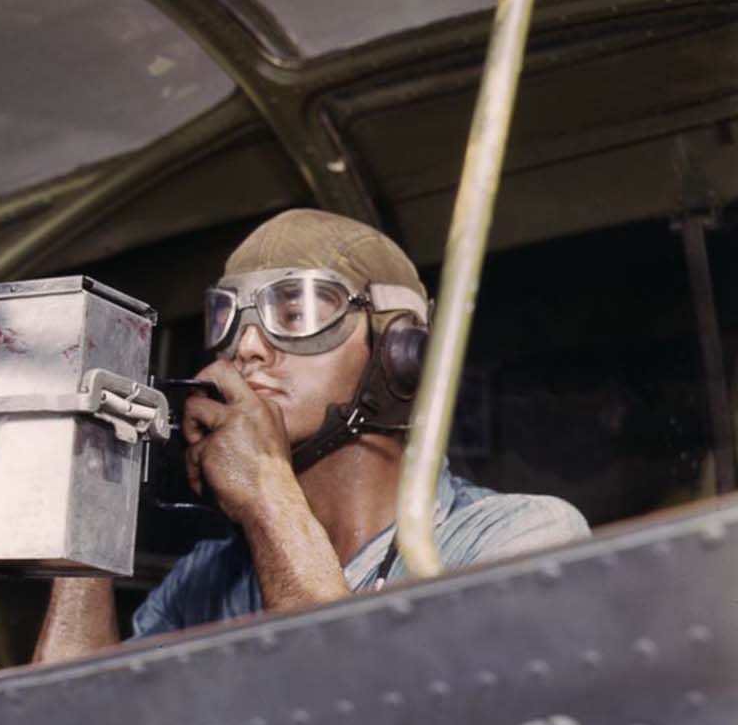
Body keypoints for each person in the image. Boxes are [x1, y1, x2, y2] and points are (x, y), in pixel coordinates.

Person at [32, 209, 589, 665]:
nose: (246, 347)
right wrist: (90, 502)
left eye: (294, 312)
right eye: (227, 318)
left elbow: (354, 719)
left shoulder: (517, 538)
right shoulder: (206, 580)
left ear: (399, 354)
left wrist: (267, 493)